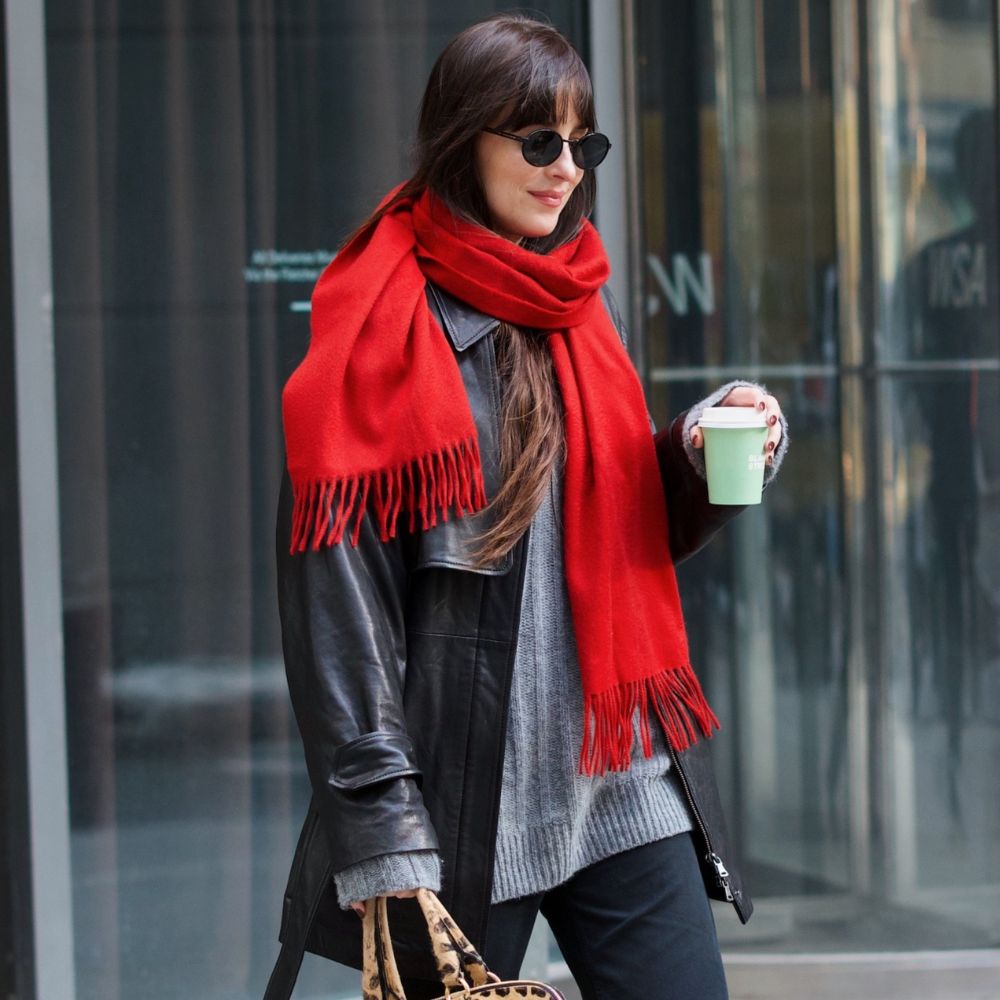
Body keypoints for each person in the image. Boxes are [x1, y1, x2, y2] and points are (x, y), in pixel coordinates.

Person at [264, 14, 786, 1000]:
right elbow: (340, 610)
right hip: (469, 806)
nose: (565, 170)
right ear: (466, 137)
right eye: (539, 142)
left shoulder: (573, 296)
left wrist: (702, 446)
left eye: (584, 144)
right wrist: (382, 832)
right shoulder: (377, 330)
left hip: (618, 776)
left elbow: (617, 525)